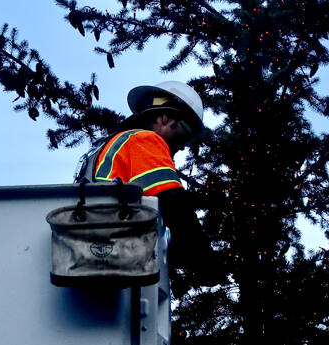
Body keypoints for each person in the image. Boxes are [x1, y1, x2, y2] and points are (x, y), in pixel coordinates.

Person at [74, 81, 221, 286]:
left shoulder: (118, 144)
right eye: (184, 132)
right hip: (116, 256)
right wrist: (207, 262)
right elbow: (173, 205)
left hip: (99, 252)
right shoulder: (144, 140)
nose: (181, 146)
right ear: (164, 117)